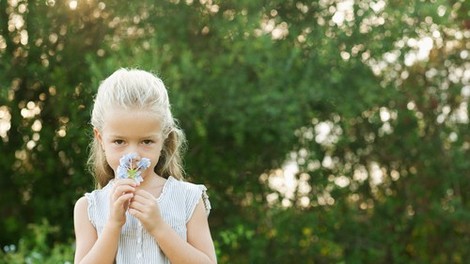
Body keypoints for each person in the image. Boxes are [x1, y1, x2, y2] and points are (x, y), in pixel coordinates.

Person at [73, 68, 217, 264]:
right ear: (100, 139)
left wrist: (159, 227)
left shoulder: (188, 199)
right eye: (119, 141)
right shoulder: (89, 208)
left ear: (164, 138)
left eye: (146, 142)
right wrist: (114, 224)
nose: (133, 155)